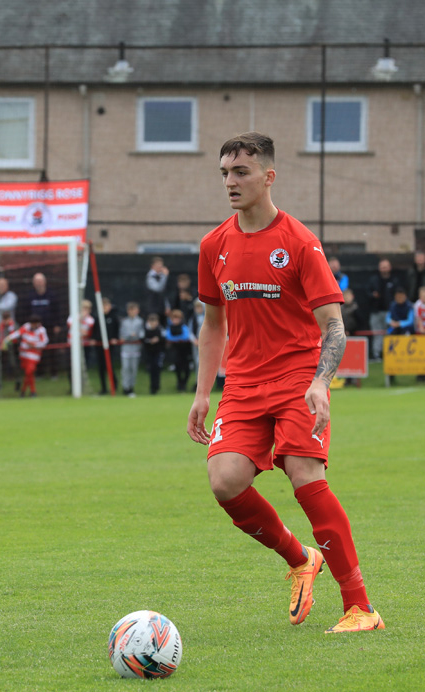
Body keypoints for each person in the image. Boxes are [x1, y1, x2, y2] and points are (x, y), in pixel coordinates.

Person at [187, 132, 383, 634]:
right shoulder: (214, 245)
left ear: (268, 176)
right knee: (225, 482)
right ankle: (301, 559)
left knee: (305, 476)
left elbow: (334, 326)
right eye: (225, 173)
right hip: (243, 383)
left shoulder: (299, 242)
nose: (230, 182)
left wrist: (321, 381)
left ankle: (360, 608)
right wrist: (203, 393)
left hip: (298, 377)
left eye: (241, 172)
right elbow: (213, 324)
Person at [25, 272, 63, 377]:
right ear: (33, 283)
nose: (38, 283)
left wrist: (57, 325)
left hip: (50, 327)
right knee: (37, 349)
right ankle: (39, 373)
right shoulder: (30, 296)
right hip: (35, 329)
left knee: (52, 350)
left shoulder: (52, 295)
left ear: (45, 282)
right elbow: (26, 311)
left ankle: (54, 373)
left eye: (40, 281)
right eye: (36, 281)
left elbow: (57, 311)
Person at [3, 314, 49, 397]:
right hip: (24, 354)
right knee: (28, 374)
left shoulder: (41, 330)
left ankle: (28, 391)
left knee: (29, 371)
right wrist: (7, 339)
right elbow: (17, 333)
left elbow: (44, 342)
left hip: (34, 355)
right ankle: (27, 392)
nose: (32, 325)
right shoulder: (26, 326)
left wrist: (33, 345)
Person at [366, 258, 400, 360]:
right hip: (376, 312)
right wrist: (373, 295)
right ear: (379, 268)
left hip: (389, 313)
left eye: (386, 267)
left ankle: (388, 354)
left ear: (390, 267)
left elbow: (398, 295)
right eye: (382, 267)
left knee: (389, 333)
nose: (384, 269)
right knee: (377, 333)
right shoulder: (373, 280)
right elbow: (367, 293)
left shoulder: (394, 280)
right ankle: (376, 354)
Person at [93, 296, 119, 394]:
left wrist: (115, 338)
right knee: (101, 367)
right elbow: (95, 331)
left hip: (110, 346)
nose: (104, 308)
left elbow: (116, 330)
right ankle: (103, 388)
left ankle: (114, 385)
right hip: (99, 345)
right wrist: (94, 339)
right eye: (102, 306)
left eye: (106, 305)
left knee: (109, 365)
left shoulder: (113, 317)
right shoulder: (97, 317)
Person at [165, 309, 194, 393]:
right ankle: (180, 383)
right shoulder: (170, 327)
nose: (176, 320)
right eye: (174, 318)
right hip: (175, 350)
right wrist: (178, 339)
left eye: (177, 318)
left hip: (184, 350)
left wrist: (176, 339)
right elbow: (169, 337)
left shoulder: (184, 327)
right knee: (177, 367)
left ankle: (184, 383)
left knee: (186, 368)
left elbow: (185, 336)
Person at [119, 301, 144, 398]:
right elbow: (122, 335)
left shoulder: (140, 321)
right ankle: (125, 387)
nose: (132, 312)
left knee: (133, 369)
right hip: (126, 348)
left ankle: (131, 387)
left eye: (134, 310)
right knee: (125, 368)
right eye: (130, 310)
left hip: (136, 349)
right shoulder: (124, 321)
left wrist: (135, 336)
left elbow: (141, 334)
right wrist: (130, 335)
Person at [142, 313, 165, 395]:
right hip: (149, 352)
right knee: (151, 369)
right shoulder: (145, 330)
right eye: (151, 322)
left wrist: (158, 339)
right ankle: (152, 387)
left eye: (154, 321)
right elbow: (143, 339)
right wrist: (150, 341)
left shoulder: (160, 329)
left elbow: (164, 338)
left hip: (158, 352)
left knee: (157, 368)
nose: (153, 323)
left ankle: (156, 386)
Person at [145, 256, 170, 325]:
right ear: (152, 266)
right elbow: (158, 288)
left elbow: (164, 293)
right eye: (158, 266)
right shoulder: (150, 276)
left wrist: (167, 306)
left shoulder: (161, 276)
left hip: (161, 308)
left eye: (161, 266)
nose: (160, 268)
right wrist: (165, 276)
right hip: (152, 307)